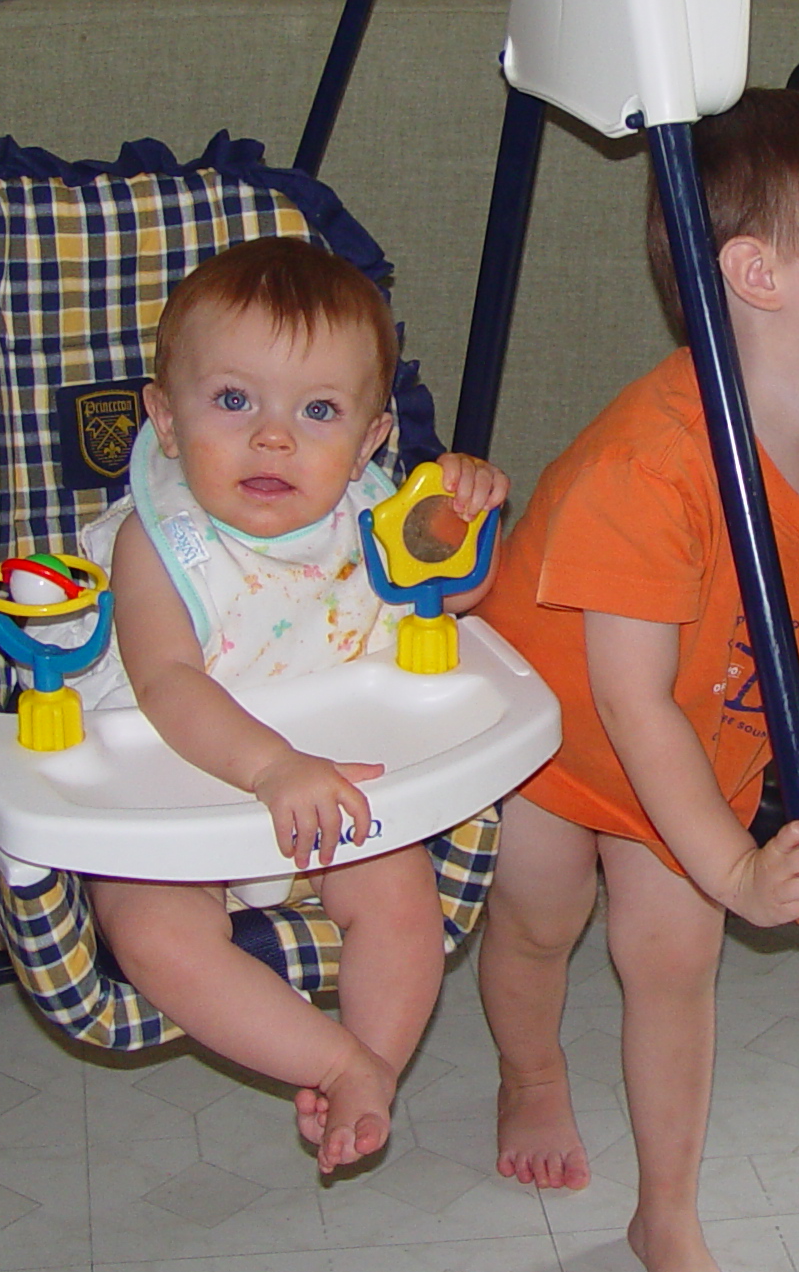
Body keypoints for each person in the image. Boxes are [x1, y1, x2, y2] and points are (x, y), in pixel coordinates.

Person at [474, 89, 799, 1272]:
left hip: (695, 750)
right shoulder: (653, 466)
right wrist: (736, 864)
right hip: (553, 742)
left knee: (673, 963)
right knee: (537, 924)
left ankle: (669, 1211)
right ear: (756, 272)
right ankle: (530, 1078)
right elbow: (628, 704)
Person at [81, 236, 508, 1173]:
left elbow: (452, 596)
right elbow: (167, 684)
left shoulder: (371, 514)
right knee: (150, 935)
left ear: (371, 440)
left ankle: (372, 1072)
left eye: (318, 412)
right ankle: (334, 1059)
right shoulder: (164, 546)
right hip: (182, 789)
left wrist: (463, 514)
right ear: (161, 416)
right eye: (233, 401)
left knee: (405, 907)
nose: (273, 437)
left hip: (335, 788)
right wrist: (272, 769)